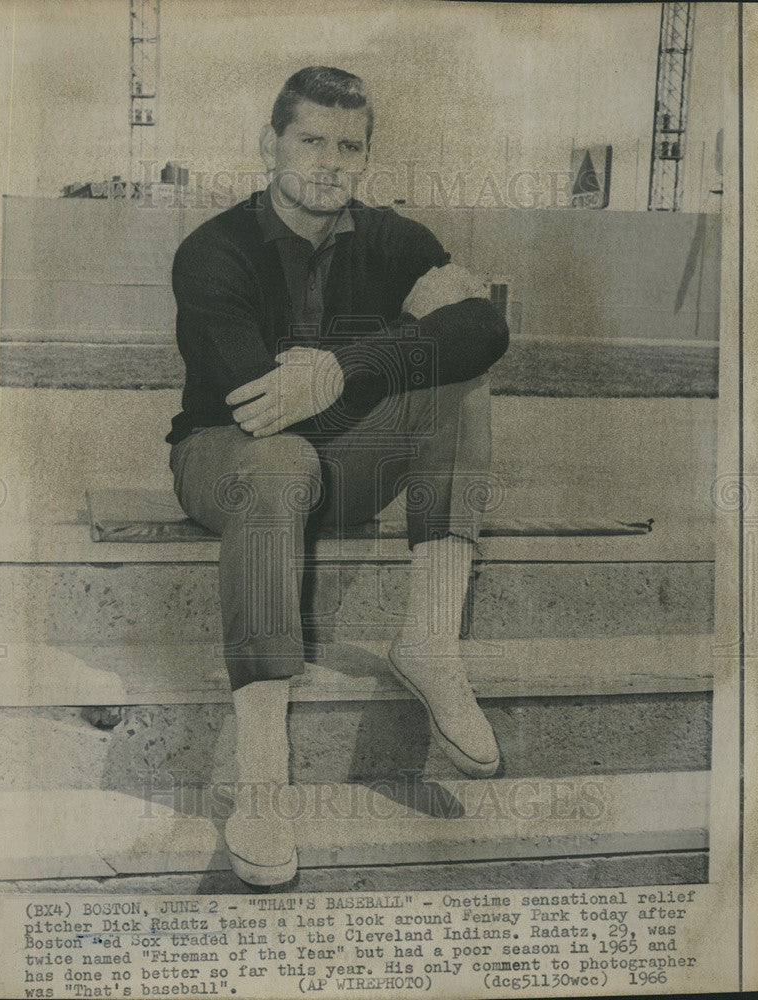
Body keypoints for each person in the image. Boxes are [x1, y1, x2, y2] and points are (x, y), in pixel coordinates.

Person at [167, 66, 509, 886]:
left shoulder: (393, 239)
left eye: (347, 146)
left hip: (342, 460)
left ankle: (428, 640)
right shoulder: (215, 249)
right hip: (226, 457)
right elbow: (259, 406)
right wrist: (393, 355)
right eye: (310, 140)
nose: (328, 161)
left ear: (365, 157)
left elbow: (484, 327)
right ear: (270, 145)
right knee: (281, 457)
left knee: (463, 390)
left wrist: (345, 365)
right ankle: (261, 782)